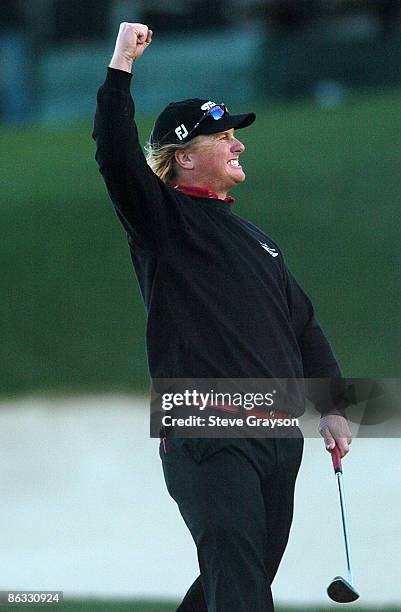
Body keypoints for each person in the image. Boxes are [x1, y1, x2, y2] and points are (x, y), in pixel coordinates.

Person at [93, 22, 353, 612]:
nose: (238, 144)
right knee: (237, 581)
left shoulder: (259, 242)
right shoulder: (161, 222)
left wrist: (333, 407)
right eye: (223, 136)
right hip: (207, 429)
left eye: (235, 134)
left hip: (276, 434)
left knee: (238, 580)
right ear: (183, 157)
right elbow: (115, 156)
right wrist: (120, 66)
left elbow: (305, 328)